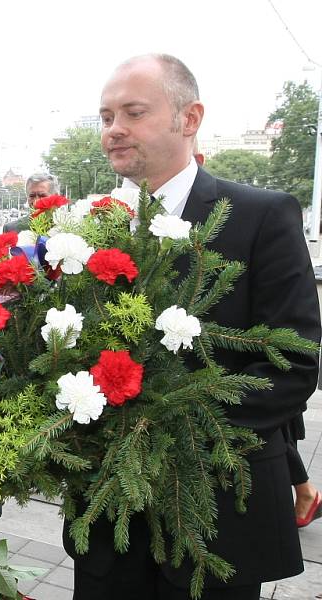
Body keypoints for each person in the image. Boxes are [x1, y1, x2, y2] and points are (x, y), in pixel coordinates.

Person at [62, 53, 321, 600]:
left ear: (190, 117)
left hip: (216, 516)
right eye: (106, 116)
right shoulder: (91, 229)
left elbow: (293, 365)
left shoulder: (261, 215)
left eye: (133, 112)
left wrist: (163, 425)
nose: (114, 130)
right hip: (110, 523)